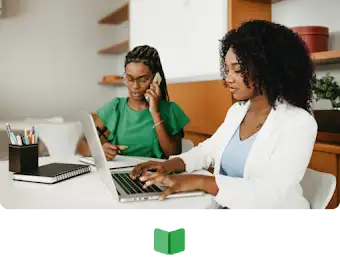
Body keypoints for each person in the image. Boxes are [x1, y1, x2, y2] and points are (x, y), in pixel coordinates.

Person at [129, 20, 318, 216]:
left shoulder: (299, 123)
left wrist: (199, 181)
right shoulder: (238, 111)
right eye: (226, 70)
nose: (228, 78)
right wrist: (166, 166)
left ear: (267, 69)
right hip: (226, 210)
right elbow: (208, 151)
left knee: (172, 239)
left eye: (237, 70)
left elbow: (270, 193)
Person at [77, 45, 190, 160]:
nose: (135, 86)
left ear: (156, 78)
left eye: (143, 79)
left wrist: (155, 112)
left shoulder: (171, 110)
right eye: (130, 78)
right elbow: (81, 145)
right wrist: (99, 150)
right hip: (118, 172)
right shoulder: (115, 107)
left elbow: (173, 154)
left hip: (154, 174)